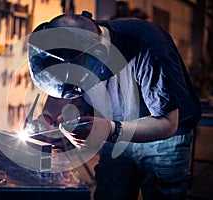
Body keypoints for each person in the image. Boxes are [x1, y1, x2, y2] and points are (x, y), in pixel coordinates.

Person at [26, 10, 202, 200]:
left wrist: (110, 130)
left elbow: (168, 122)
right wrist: (46, 117)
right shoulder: (73, 39)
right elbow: (64, 88)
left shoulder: (148, 47)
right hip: (116, 128)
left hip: (164, 136)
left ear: (99, 56)